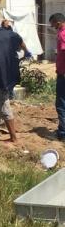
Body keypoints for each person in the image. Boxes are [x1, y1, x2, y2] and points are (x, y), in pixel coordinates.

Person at [0, 16, 27, 142]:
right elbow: (21, 42)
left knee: (4, 107)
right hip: (11, 76)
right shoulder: (11, 34)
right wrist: (26, 51)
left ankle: (13, 137)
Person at [49, 13, 65, 141]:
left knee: (61, 103)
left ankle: (63, 133)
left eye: (53, 24)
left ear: (58, 23)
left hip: (63, 74)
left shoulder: (62, 34)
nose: (52, 27)